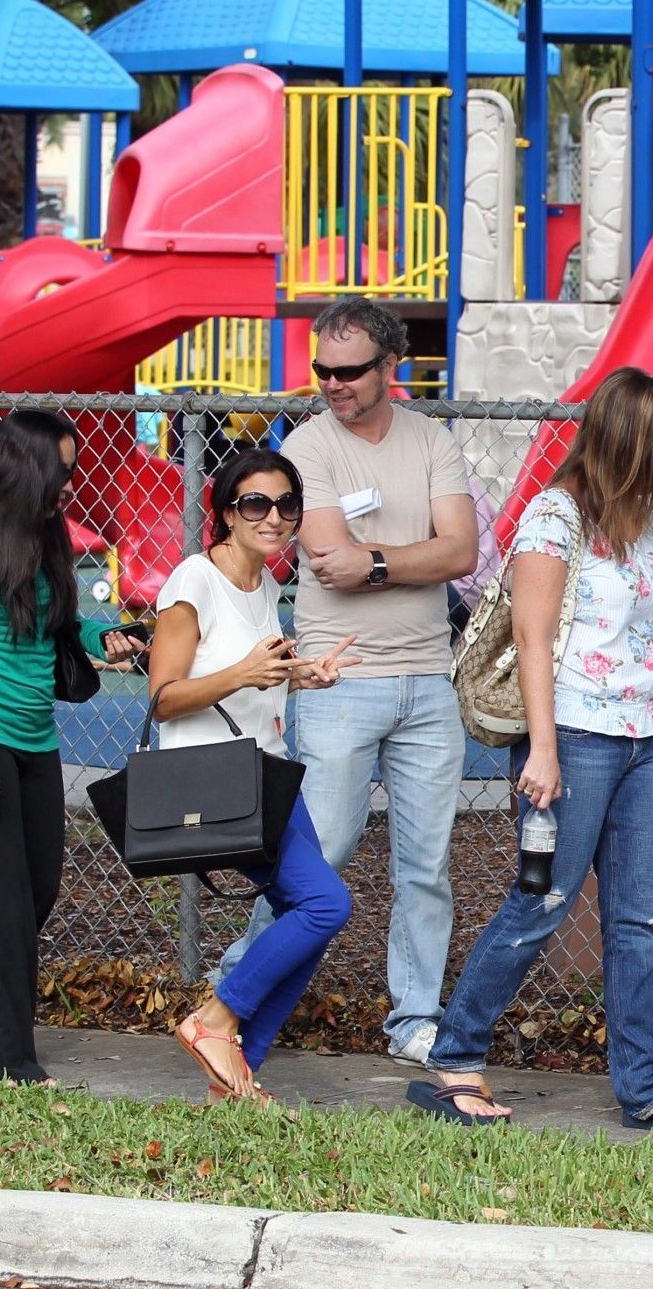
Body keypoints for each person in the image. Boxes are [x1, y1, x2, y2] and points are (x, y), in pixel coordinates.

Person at [406, 368, 653, 1132]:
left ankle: (646, 1089)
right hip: (576, 739)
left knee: (637, 922)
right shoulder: (554, 518)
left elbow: (618, 630)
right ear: (628, 446)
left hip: (647, 736)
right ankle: (453, 1061)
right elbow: (534, 638)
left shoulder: (637, 524)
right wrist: (543, 751)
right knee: (542, 902)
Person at [217, 297, 477, 1066]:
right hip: (337, 682)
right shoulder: (306, 447)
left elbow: (461, 550)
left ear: (390, 366)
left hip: (428, 679)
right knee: (318, 856)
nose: (332, 383)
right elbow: (332, 559)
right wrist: (408, 556)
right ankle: (234, 996)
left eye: (350, 371)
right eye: (322, 370)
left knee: (426, 867)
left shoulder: (431, 440)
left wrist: (379, 561)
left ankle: (415, 1020)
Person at [150, 449, 359, 1104]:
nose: (273, 517)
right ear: (226, 512)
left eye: (286, 504)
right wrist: (245, 672)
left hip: (264, 775)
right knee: (326, 904)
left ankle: (235, 1076)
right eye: (255, 504)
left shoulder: (263, 583)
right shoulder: (194, 581)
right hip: (214, 781)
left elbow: (251, 683)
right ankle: (215, 1020)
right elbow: (164, 697)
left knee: (313, 913)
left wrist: (299, 676)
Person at [0, 411, 142, 1086]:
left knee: (39, 889)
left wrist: (108, 637)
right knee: (4, 906)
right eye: (62, 471)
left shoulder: (46, 536)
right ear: (25, 469)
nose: (70, 484)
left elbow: (61, 626)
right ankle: (10, 1060)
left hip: (36, 738)